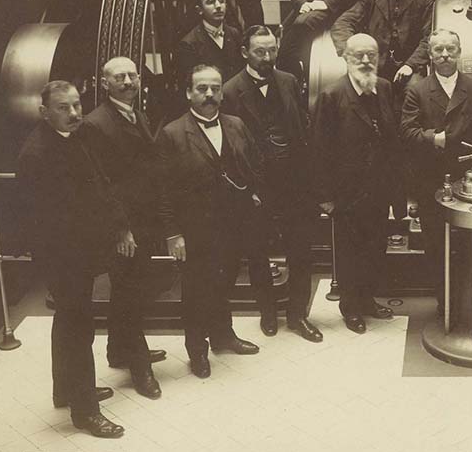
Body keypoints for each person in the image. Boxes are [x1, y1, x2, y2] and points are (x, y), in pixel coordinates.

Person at [17, 81, 126, 438]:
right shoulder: (37, 154)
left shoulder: (73, 137)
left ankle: (65, 390)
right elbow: (45, 220)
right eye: (64, 107)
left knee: (67, 321)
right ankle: (86, 412)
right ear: (44, 112)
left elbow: (97, 187)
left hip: (77, 253)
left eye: (77, 105)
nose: (75, 113)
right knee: (79, 329)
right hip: (64, 257)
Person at [158, 65, 264, 379]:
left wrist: (254, 195)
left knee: (224, 282)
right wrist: (173, 233)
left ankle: (223, 335)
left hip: (233, 225)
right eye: (202, 89)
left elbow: (255, 164)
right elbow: (162, 190)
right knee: (196, 290)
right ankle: (197, 350)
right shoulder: (172, 133)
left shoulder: (236, 124)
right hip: (194, 230)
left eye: (215, 89)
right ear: (188, 93)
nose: (209, 95)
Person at [223, 26, 323, 343]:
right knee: (257, 254)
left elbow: (302, 132)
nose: (267, 57)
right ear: (244, 53)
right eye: (259, 52)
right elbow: (228, 149)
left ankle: (297, 315)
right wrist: (245, 190)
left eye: (271, 51)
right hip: (255, 189)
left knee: (301, 252)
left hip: (294, 184)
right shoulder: (229, 91)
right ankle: (267, 312)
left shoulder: (289, 82)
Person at [400, 29, 472, 316]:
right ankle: (445, 302)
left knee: (470, 241)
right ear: (430, 55)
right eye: (438, 50)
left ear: (459, 52)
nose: (445, 55)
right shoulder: (417, 90)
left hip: (469, 178)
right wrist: (433, 137)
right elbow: (406, 132)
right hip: (432, 179)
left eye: (450, 49)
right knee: (436, 243)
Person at [79, 58, 164, 401]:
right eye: (119, 77)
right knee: (131, 293)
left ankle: (118, 351)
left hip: (141, 220)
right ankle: (140, 367)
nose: (128, 81)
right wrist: (121, 230)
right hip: (122, 226)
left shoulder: (133, 111)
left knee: (128, 289)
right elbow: (103, 185)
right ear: (104, 83)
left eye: (132, 75)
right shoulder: (96, 124)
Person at [312, 34, 400, 333]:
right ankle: (350, 308)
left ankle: (367, 300)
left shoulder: (385, 89)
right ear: (346, 58)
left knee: (375, 249)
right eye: (359, 56)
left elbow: (392, 141)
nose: (366, 61)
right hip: (347, 193)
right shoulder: (332, 95)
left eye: (371, 56)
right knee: (350, 253)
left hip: (379, 189)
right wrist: (324, 195)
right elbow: (319, 149)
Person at [330, 0, 433, 92]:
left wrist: (410, 65)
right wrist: (352, 52)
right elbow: (342, 23)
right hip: (376, 67)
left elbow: (429, 37)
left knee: (416, 90)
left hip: (410, 68)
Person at [176, 0, 244, 89]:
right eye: (210, 2)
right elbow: (189, 87)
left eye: (221, 1)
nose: (218, 6)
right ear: (199, 10)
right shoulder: (188, 44)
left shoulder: (235, 34)